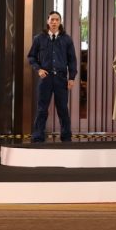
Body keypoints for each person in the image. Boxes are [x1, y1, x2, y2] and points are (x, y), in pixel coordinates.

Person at [27, 11, 78, 143]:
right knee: (42, 109)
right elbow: (31, 57)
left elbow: (72, 60)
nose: (54, 22)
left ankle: (66, 138)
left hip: (61, 79)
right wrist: (38, 69)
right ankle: (38, 137)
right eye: (52, 20)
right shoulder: (39, 38)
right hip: (46, 78)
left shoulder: (67, 39)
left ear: (60, 22)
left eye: (57, 20)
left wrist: (71, 77)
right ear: (48, 21)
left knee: (63, 109)